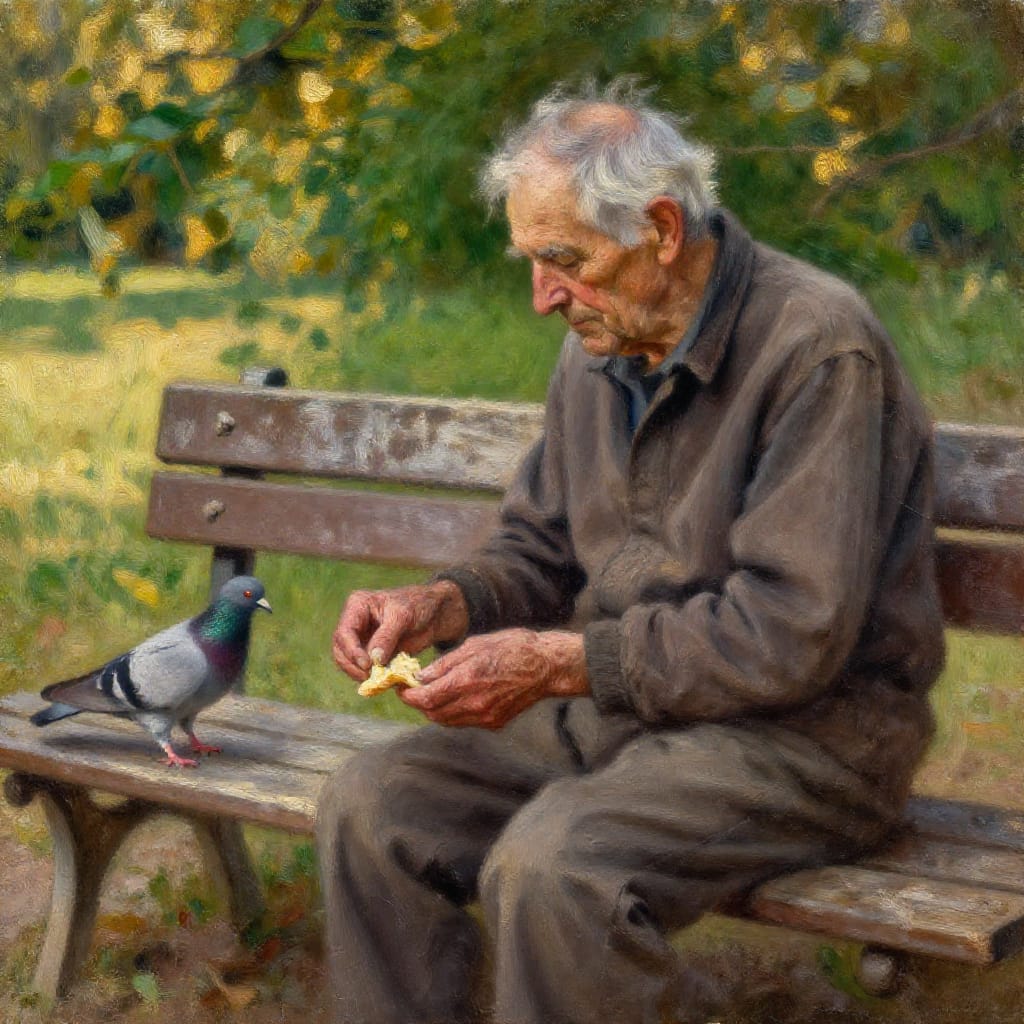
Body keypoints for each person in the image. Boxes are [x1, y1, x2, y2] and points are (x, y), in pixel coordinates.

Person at [317, 81, 945, 1024]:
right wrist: (444, 604)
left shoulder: (816, 345)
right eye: (531, 262)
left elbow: (791, 632)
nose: (541, 299)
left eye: (563, 261)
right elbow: (539, 547)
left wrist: (561, 661)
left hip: (812, 736)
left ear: (659, 228)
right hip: (631, 712)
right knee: (373, 804)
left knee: (559, 867)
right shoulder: (601, 338)